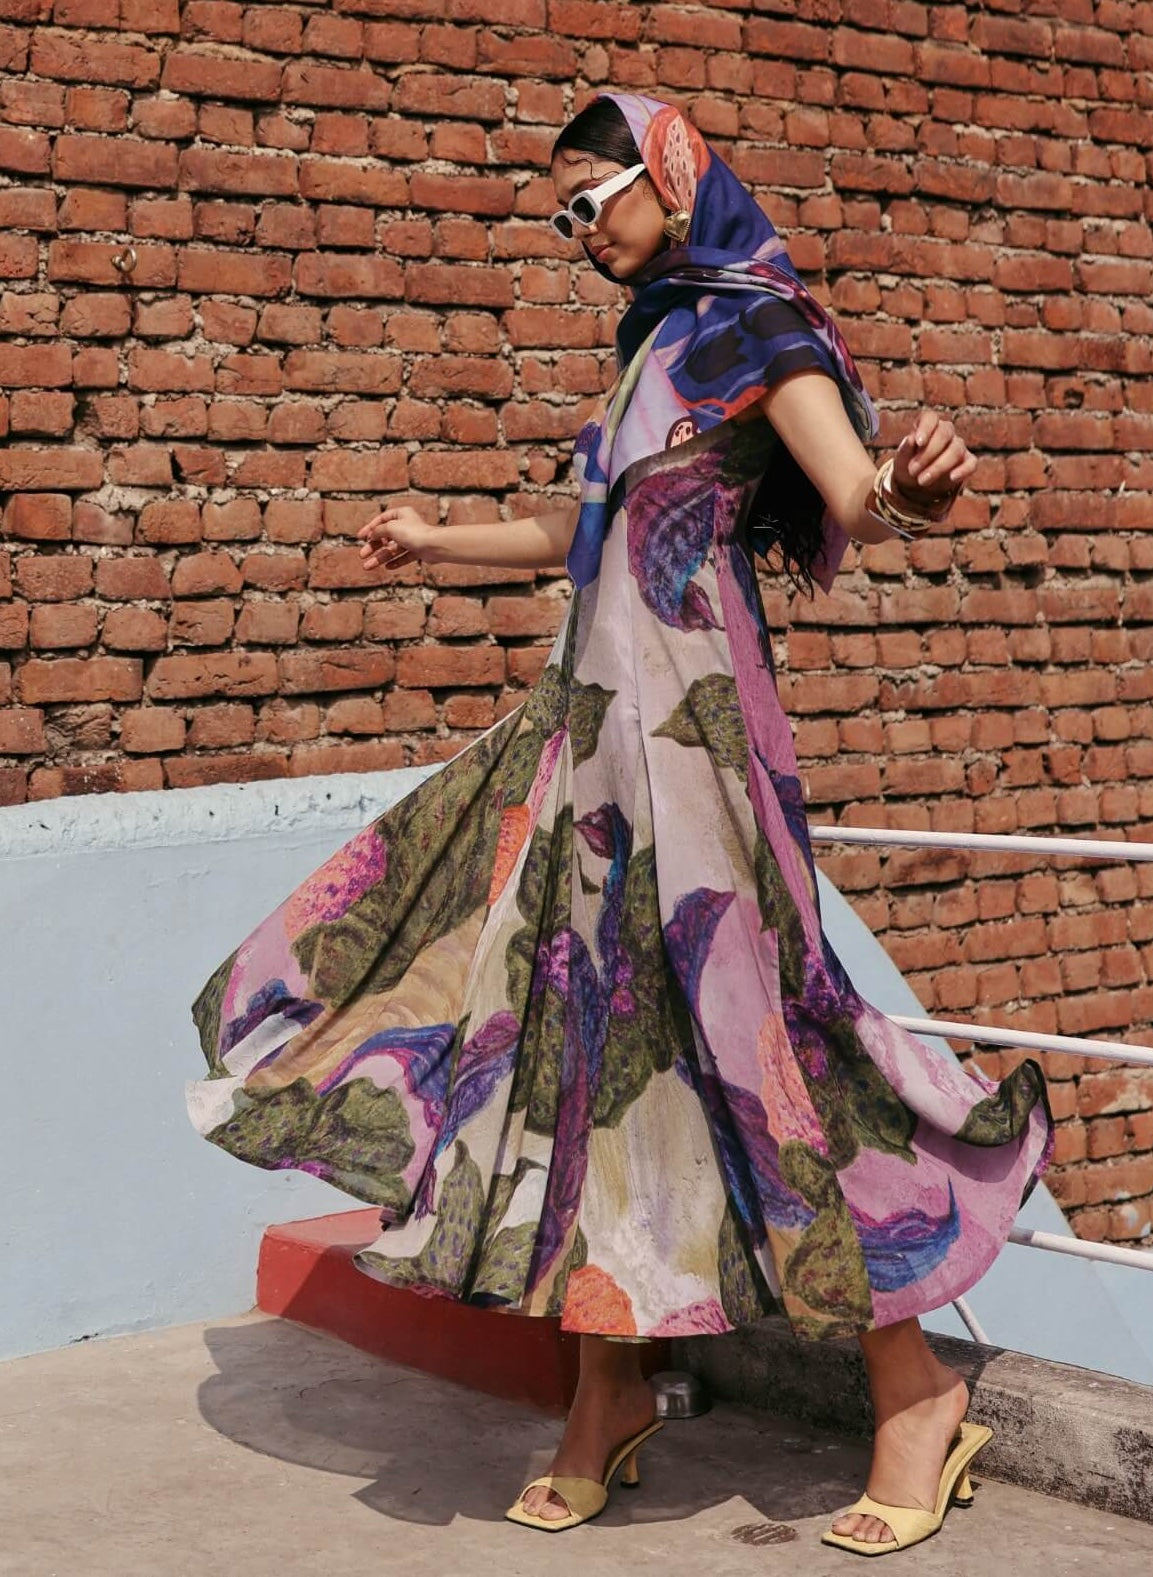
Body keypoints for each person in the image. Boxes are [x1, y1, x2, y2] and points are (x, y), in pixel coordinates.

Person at [186, 91, 1053, 1558]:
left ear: (671, 172)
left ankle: (914, 1392)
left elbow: (859, 495)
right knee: (578, 1050)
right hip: (590, 747)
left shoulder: (758, 328)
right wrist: (434, 539)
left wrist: (914, 490)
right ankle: (609, 1389)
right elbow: (577, 531)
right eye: (562, 216)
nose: (579, 230)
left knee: (758, 1043)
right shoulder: (647, 343)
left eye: (594, 201)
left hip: (700, 737)